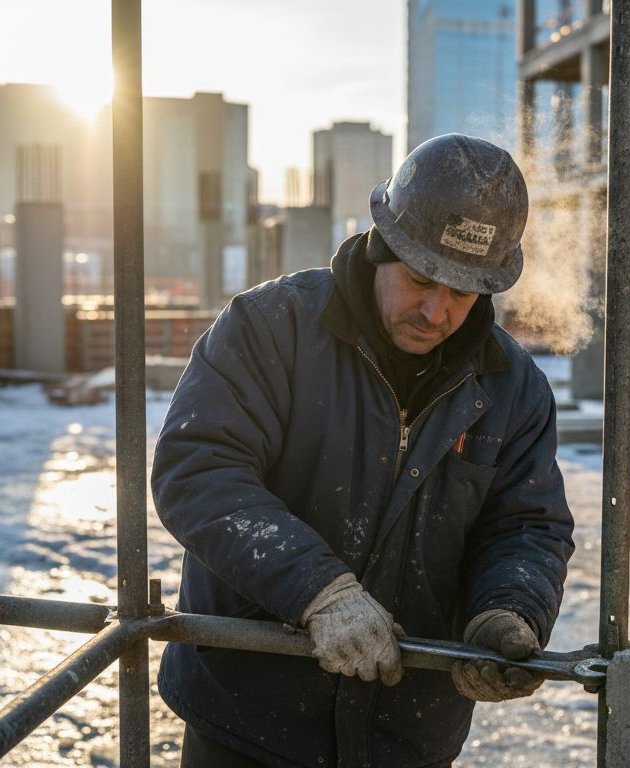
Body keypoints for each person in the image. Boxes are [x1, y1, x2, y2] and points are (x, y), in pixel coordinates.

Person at [150, 133, 575, 768]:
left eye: (463, 293)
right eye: (421, 279)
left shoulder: (512, 388)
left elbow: (526, 525)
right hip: (248, 720)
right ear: (385, 246)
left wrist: (508, 609)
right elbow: (199, 470)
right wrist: (318, 589)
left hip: (407, 735)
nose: (436, 311)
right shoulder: (271, 328)